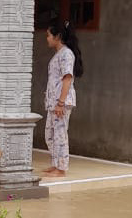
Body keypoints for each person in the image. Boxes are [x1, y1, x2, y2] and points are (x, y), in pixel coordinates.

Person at [43, 21, 84, 178]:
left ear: (57, 36)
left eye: (49, 35)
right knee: (50, 134)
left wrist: (61, 102)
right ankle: (55, 164)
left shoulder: (67, 54)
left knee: (60, 134)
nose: (47, 38)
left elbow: (67, 78)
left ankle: (61, 168)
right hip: (54, 102)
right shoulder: (59, 54)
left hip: (61, 102)